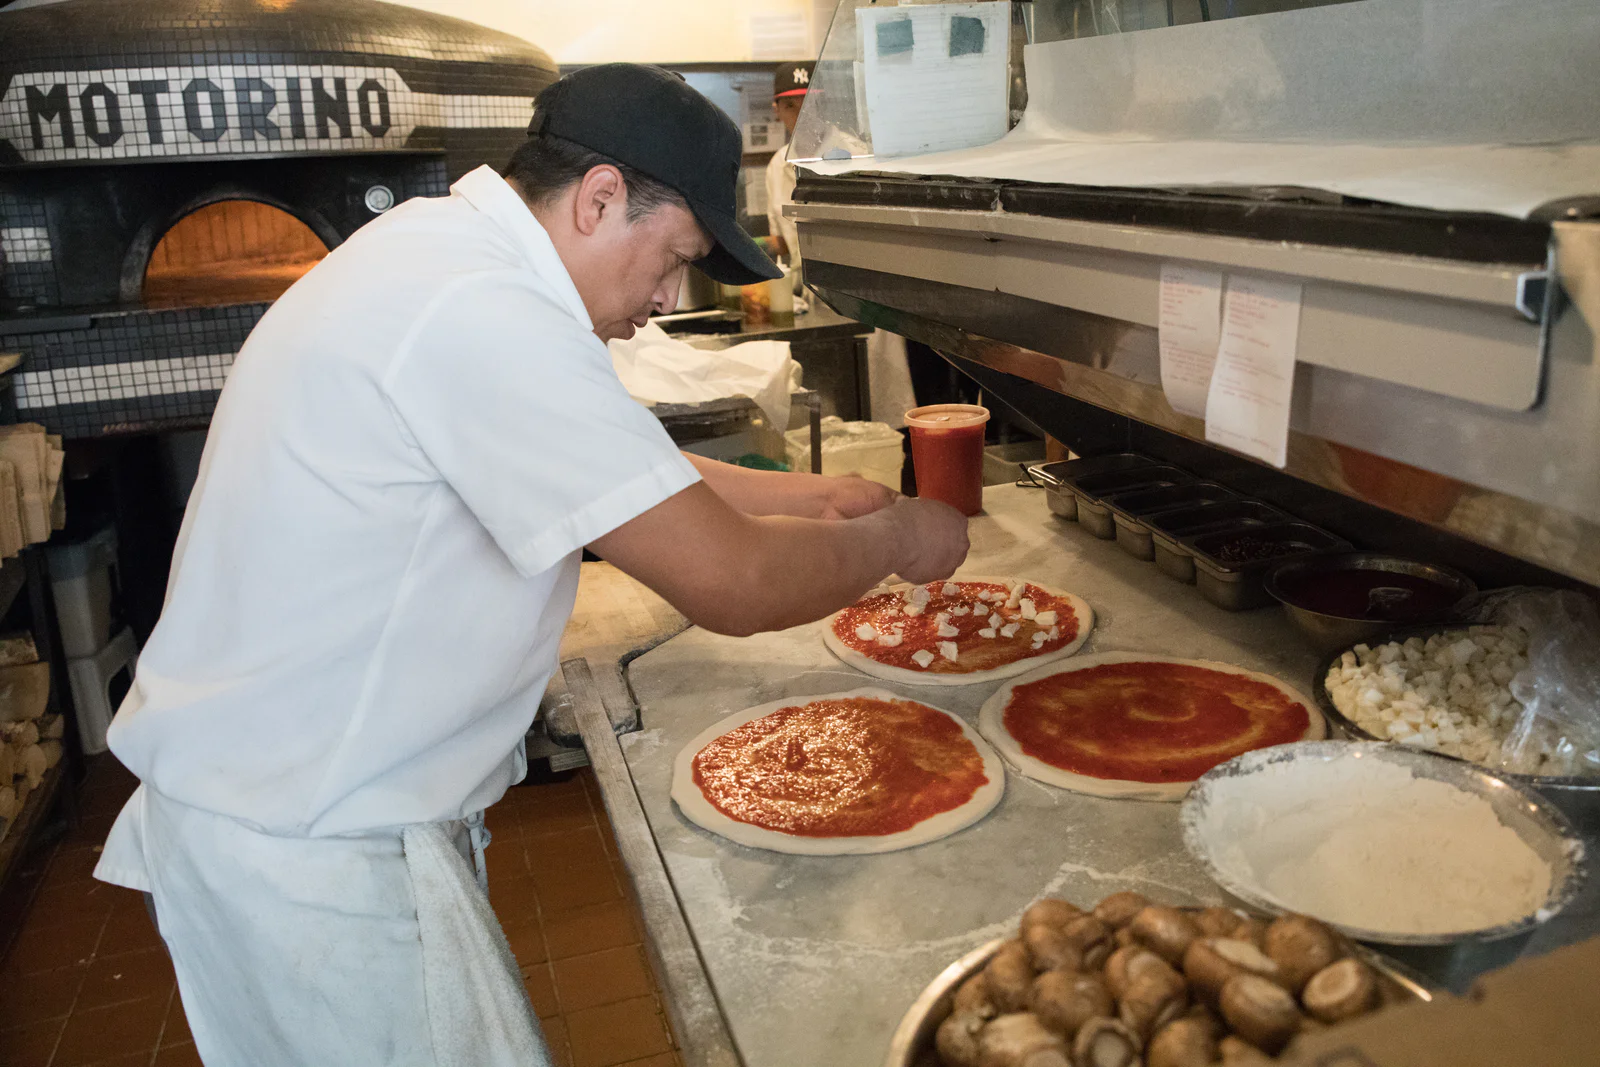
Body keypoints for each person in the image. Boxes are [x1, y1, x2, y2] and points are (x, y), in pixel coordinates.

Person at [92, 63, 968, 1067]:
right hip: (316, 840)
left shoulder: (445, 258)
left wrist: (808, 498)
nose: (667, 294)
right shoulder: (480, 310)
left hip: (295, 800)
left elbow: (612, 465)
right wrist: (900, 535)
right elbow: (739, 585)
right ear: (600, 198)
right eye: (673, 256)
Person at [764, 60, 918, 431]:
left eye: (809, 104)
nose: (801, 116)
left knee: (882, 417)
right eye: (790, 106)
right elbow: (782, 244)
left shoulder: (856, 156)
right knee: (831, 423)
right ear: (776, 110)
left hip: (867, 304)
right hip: (817, 310)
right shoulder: (776, 168)